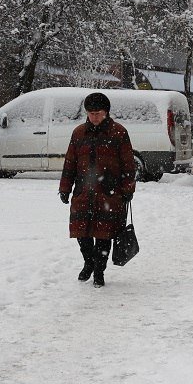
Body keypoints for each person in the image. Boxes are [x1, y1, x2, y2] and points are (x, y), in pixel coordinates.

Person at [58, 92, 136, 288]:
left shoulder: (118, 133)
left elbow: (128, 165)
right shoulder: (78, 133)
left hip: (109, 193)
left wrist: (128, 188)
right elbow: (70, 163)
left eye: (98, 113)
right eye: (90, 113)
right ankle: (88, 263)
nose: (94, 117)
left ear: (106, 112)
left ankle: (99, 271)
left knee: (104, 234)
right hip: (83, 191)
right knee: (81, 233)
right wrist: (65, 188)